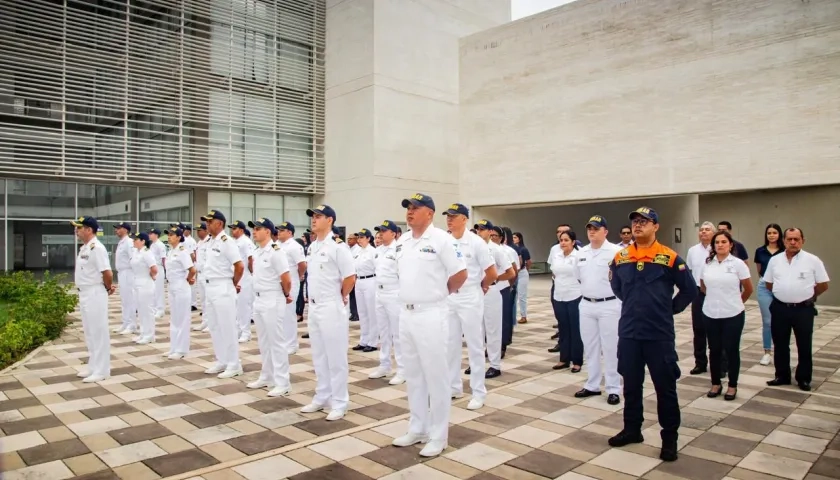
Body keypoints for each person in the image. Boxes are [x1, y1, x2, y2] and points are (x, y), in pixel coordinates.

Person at [608, 206, 696, 462]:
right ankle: (632, 429)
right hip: (629, 333)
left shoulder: (669, 258)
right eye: (635, 221)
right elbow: (617, 287)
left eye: (645, 221)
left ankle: (669, 438)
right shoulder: (621, 258)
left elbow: (689, 290)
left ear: (656, 227)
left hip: (658, 334)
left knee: (665, 387)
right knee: (631, 385)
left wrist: (668, 310)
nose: (638, 225)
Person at [392, 193, 466, 457]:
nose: (410, 212)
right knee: (413, 375)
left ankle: (438, 436)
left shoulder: (442, 240)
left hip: (431, 314)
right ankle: (418, 428)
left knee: (436, 376)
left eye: (416, 208)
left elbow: (460, 274)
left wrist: (440, 294)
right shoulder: (402, 241)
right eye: (408, 208)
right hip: (407, 314)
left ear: (430, 213)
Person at [301, 205, 356, 420]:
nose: (314, 220)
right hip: (314, 307)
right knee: (319, 355)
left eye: (318, 216)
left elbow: (350, 277)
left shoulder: (338, 247)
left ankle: (340, 401)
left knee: (336, 356)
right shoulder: (313, 247)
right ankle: (322, 395)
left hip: (331, 305)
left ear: (330, 220)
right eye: (313, 217)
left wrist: (340, 296)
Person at [443, 204, 497, 410]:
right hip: (450, 297)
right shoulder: (445, 241)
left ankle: (478, 392)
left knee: (474, 346)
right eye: (448, 216)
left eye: (454, 216)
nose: (449, 219)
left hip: (470, 297)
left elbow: (491, 273)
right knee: (450, 344)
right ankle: (454, 387)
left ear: (464, 219)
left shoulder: (476, 242)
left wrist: (482, 286)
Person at [764, 227, 830, 392]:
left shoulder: (813, 260)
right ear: (784, 241)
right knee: (780, 343)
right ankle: (782, 375)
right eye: (789, 239)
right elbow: (769, 283)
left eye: (796, 239)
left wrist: (808, 296)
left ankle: (804, 378)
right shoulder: (775, 260)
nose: (793, 242)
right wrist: (784, 294)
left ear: (803, 240)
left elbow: (823, 285)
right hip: (780, 308)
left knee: (804, 344)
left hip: (803, 310)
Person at [700, 230, 753, 401]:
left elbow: (748, 289)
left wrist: (735, 303)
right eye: (717, 242)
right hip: (711, 313)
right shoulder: (708, 264)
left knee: (731, 350)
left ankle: (732, 385)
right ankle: (716, 383)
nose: (720, 245)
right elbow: (703, 286)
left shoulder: (738, 264)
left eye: (724, 242)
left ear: (730, 245)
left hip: (733, 314)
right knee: (714, 350)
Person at [575, 215, 623, 405]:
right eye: (589, 228)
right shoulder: (582, 252)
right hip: (587, 304)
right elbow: (578, 277)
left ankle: (613, 388)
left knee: (611, 347)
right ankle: (592, 384)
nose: (592, 231)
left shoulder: (616, 252)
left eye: (596, 228)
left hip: (609, 304)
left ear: (605, 231)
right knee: (590, 346)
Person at [248, 218, 294, 397]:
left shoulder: (276, 251)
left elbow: (287, 279)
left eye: (258, 229)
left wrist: (285, 294)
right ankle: (267, 376)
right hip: (259, 300)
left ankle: (283, 382)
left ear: (268, 231)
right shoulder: (257, 251)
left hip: (272, 299)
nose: (254, 232)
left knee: (277, 341)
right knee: (264, 341)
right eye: (253, 229)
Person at [199, 210, 245, 379]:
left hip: (223, 286)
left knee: (228, 327)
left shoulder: (227, 242)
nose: (207, 225)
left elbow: (239, 266)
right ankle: (222, 360)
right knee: (215, 326)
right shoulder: (210, 241)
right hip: (210, 287)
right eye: (207, 222)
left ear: (219, 224)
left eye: (210, 222)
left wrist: (232, 283)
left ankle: (234, 364)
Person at [72, 216, 115, 383]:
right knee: (90, 332)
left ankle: (102, 370)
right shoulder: (85, 248)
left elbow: (107, 273)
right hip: (85, 293)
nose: (76, 230)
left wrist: (107, 287)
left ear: (89, 229)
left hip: (95, 292)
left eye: (79, 227)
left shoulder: (97, 248)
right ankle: (93, 365)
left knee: (98, 331)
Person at [474, 220, 514, 378]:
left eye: (483, 229)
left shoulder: (496, 250)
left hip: (491, 291)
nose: (479, 232)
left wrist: (495, 279)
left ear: (490, 232)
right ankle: (476, 363)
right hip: (475, 292)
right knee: (477, 330)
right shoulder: (474, 246)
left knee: (492, 330)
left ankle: (495, 365)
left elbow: (511, 273)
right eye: (477, 229)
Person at [370, 220, 405, 385]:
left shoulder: (399, 250)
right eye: (380, 231)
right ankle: (384, 364)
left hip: (394, 293)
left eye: (384, 231)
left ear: (393, 233)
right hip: (380, 292)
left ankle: (402, 369)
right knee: (383, 332)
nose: (381, 234)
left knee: (397, 333)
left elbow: (403, 274)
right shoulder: (378, 251)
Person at [685, 221, 716, 375]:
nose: (703, 232)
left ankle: (720, 365)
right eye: (701, 230)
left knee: (716, 330)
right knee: (698, 329)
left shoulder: (718, 249)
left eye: (707, 230)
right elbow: (689, 272)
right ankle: (700, 363)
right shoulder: (692, 251)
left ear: (713, 232)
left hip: (715, 293)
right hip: (698, 293)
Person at [550, 230, 582, 372]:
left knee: (575, 329)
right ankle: (564, 359)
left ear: (573, 242)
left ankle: (577, 361)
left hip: (575, 295)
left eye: (566, 240)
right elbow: (554, 273)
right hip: (559, 295)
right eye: (561, 240)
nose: (563, 243)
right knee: (563, 328)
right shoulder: (556, 255)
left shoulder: (578, 256)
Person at [163, 227, 196, 359]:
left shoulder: (182, 251)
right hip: (172, 286)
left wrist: (187, 280)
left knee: (182, 319)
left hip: (181, 285)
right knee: (175, 318)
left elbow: (192, 270)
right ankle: (174, 347)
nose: (169, 237)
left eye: (171, 235)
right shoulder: (171, 251)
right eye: (168, 234)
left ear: (178, 237)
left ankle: (181, 350)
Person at [754, 223, 784, 366]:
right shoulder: (760, 251)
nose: (771, 235)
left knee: (782, 321)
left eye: (774, 232)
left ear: (779, 235)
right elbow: (759, 269)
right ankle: (767, 352)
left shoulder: (785, 251)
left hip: (782, 286)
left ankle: (781, 350)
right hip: (764, 286)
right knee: (767, 321)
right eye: (769, 233)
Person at [276, 222, 307, 355]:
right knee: (280, 315)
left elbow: (302, 265)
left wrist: (298, 276)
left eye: (282, 230)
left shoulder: (294, 246)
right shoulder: (277, 244)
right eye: (278, 230)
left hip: (292, 282)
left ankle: (292, 344)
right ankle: (284, 341)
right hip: (279, 283)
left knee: (289, 314)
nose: (279, 232)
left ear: (290, 232)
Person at [128, 232, 159, 345]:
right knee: (140, 310)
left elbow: (154, 269)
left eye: (136, 239)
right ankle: (143, 333)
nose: (133, 241)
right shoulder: (136, 252)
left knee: (147, 310)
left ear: (143, 241)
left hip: (145, 283)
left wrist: (150, 276)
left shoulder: (146, 253)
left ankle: (150, 335)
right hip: (137, 283)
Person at [227, 220, 255, 342]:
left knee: (244, 305)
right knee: (236, 305)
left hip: (244, 277)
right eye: (232, 228)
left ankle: (246, 332)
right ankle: (238, 329)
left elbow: (250, 259)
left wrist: (251, 272)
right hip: (235, 276)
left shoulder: (246, 242)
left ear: (242, 230)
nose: (233, 231)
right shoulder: (233, 242)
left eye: (235, 228)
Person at [352, 229, 378, 352]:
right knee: (362, 312)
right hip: (359, 281)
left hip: (370, 281)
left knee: (371, 312)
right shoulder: (357, 252)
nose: (359, 239)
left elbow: (378, 269)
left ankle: (372, 342)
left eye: (362, 237)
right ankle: (364, 340)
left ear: (368, 238)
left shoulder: (373, 252)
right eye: (359, 237)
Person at [113, 222, 137, 335]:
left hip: (128, 272)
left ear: (126, 230)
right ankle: (125, 323)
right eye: (116, 228)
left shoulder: (129, 242)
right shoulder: (121, 242)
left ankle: (132, 325)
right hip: (122, 273)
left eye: (119, 228)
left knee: (130, 299)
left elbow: (133, 258)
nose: (116, 230)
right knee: (124, 299)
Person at [193, 223, 211, 332]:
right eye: (197, 230)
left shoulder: (210, 242)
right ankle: (204, 322)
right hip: (200, 274)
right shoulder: (199, 243)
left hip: (207, 274)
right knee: (203, 300)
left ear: (206, 231)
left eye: (200, 230)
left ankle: (211, 323)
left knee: (209, 300)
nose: (198, 232)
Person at [148, 229, 167, 318]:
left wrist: (166, 271)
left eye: (151, 233)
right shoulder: (152, 245)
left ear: (156, 235)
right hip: (153, 268)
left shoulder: (160, 245)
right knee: (154, 290)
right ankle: (155, 308)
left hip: (159, 267)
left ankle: (160, 309)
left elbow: (163, 259)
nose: (150, 235)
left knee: (159, 290)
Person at [513, 232, 531, 324]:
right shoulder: (512, 249)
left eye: (515, 237)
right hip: (514, 273)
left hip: (522, 273)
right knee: (514, 295)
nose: (513, 239)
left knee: (522, 295)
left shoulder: (523, 249)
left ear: (519, 239)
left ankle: (524, 316)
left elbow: (528, 261)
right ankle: (514, 316)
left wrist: (525, 270)